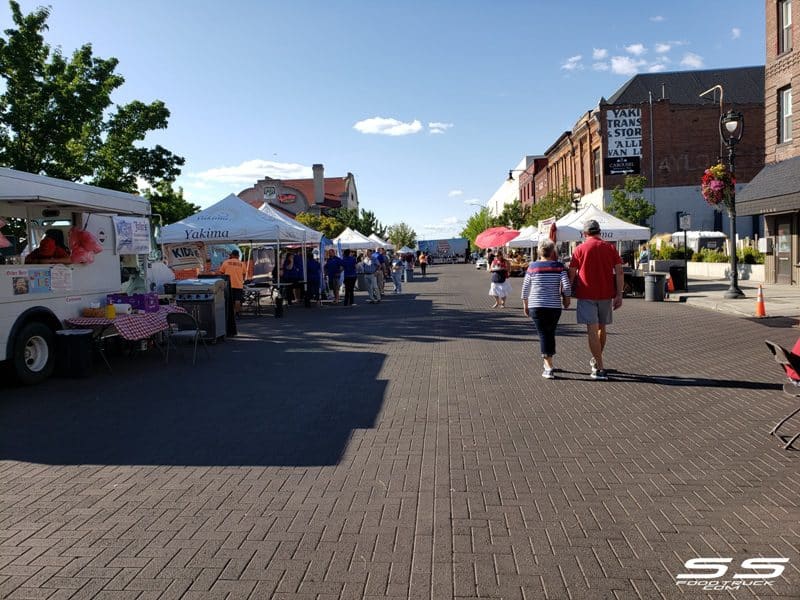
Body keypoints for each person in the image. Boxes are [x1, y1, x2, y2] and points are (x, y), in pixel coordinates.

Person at [568, 219, 624, 381]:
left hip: (586, 294)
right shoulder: (610, 248)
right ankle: (597, 360)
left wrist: (566, 292)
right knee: (602, 328)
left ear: (585, 233)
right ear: (599, 231)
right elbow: (619, 272)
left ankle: (599, 367)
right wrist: (619, 294)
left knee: (591, 330)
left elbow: (572, 272)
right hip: (606, 294)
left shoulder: (580, 249)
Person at [521, 239, 571, 379]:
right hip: (554, 306)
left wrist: (525, 305)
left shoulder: (532, 267)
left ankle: (548, 367)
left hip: (536, 305)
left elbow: (525, 288)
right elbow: (566, 286)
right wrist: (567, 300)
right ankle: (549, 362)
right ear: (552, 251)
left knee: (543, 334)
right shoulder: (559, 266)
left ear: (539, 251)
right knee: (550, 333)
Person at [218, 249, 246, 317]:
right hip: (238, 284)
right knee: (237, 299)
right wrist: (242, 281)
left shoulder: (226, 262)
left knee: (229, 299)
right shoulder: (242, 263)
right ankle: (237, 313)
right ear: (238, 256)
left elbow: (221, 273)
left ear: (232, 255)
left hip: (228, 284)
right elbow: (244, 274)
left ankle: (230, 314)